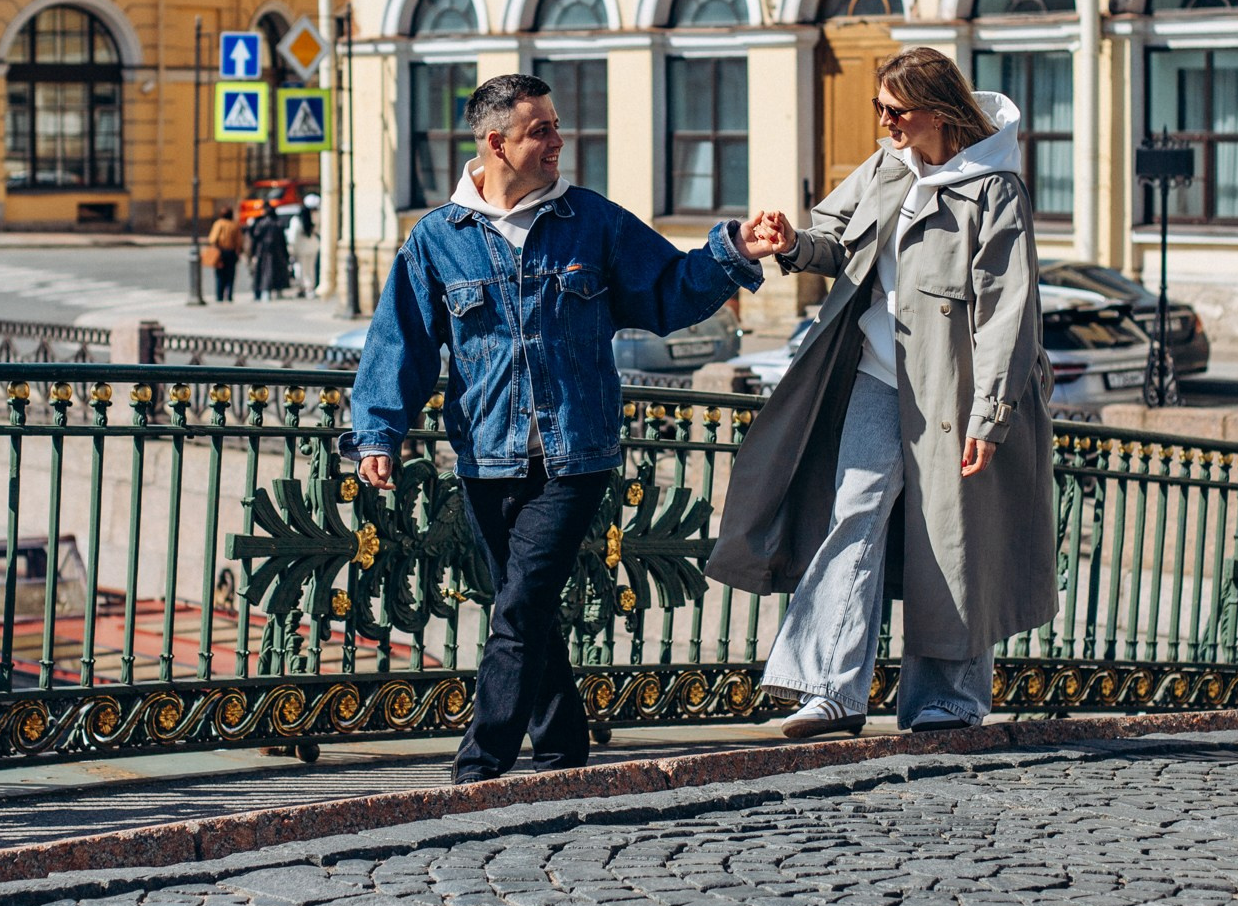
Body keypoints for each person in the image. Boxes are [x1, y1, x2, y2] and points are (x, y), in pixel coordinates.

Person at [349, 73, 782, 782]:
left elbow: (667, 291)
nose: (558, 141)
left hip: (576, 452)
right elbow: (401, 342)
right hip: (485, 455)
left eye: (555, 126)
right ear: (495, 143)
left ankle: (479, 767)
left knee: (519, 606)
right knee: (528, 608)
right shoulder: (436, 239)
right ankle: (562, 752)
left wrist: (733, 249)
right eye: (540, 130)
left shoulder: (591, 221)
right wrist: (379, 434)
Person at [712, 46, 1057, 740]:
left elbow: (1007, 313)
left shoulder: (993, 189)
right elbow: (836, 241)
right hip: (876, 371)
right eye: (879, 108)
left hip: (955, 393)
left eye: (895, 110)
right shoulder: (885, 167)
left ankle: (948, 700)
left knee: (952, 540)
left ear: (939, 110)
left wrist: (990, 416)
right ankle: (829, 688)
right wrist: (791, 243)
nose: (883, 121)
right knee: (855, 514)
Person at [245, 201, 291, 300]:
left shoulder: (261, 223)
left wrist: (253, 253)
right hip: (276, 252)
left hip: (263, 252)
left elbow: (255, 237)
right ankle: (277, 292)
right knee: (275, 272)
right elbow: (283, 241)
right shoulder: (278, 223)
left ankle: (265, 293)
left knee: (263, 273)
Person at [206, 212, 243, 303]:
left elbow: (212, 239)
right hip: (231, 252)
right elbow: (239, 241)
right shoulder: (234, 225)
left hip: (220, 251)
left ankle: (219, 296)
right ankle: (229, 295)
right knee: (231, 275)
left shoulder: (218, 224)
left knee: (220, 275)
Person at [293, 194, 323, 297]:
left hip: (302, 248)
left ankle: (305, 287)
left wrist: (293, 249)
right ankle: (309, 287)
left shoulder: (297, 220)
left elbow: (293, 237)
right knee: (310, 268)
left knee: (302, 269)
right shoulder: (317, 217)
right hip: (313, 246)